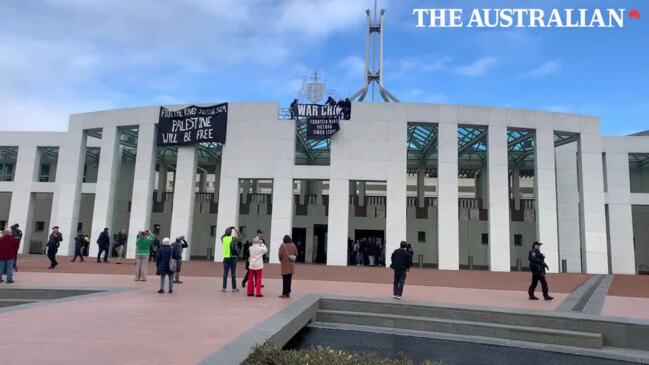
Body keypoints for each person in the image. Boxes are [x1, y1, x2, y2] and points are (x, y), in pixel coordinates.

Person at [278, 234, 298, 298]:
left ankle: (284, 293)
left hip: (284, 264)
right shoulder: (293, 245)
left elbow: (280, 255)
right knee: (289, 279)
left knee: (285, 279)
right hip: (291, 264)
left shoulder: (282, 246)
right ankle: (288, 292)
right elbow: (296, 253)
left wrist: (281, 259)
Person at [221, 226, 240, 292]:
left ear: (226, 233)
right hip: (233, 258)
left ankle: (224, 288)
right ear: (231, 233)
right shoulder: (233, 239)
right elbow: (241, 237)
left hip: (226, 258)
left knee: (225, 274)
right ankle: (234, 288)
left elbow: (223, 236)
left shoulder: (223, 239)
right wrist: (236, 231)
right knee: (233, 274)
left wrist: (228, 229)